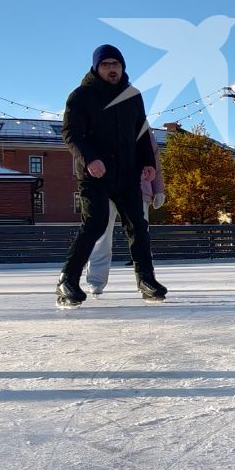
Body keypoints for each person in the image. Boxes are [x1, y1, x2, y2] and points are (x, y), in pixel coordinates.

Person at [58, 45, 164, 307]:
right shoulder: (81, 96)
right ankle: (67, 280)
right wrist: (90, 159)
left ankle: (146, 280)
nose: (112, 68)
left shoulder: (133, 96)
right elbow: (71, 134)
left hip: (127, 173)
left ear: (123, 67)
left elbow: (141, 133)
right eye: (106, 64)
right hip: (95, 174)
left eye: (116, 63)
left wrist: (148, 163)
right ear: (96, 67)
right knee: (95, 224)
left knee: (138, 226)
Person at [85, 148, 165, 294]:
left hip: (139, 189)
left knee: (141, 237)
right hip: (106, 188)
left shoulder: (143, 130)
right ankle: (96, 280)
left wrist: (158, 189)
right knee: (102, 235)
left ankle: (147, 279)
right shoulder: (104, 126)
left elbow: (154, 161)